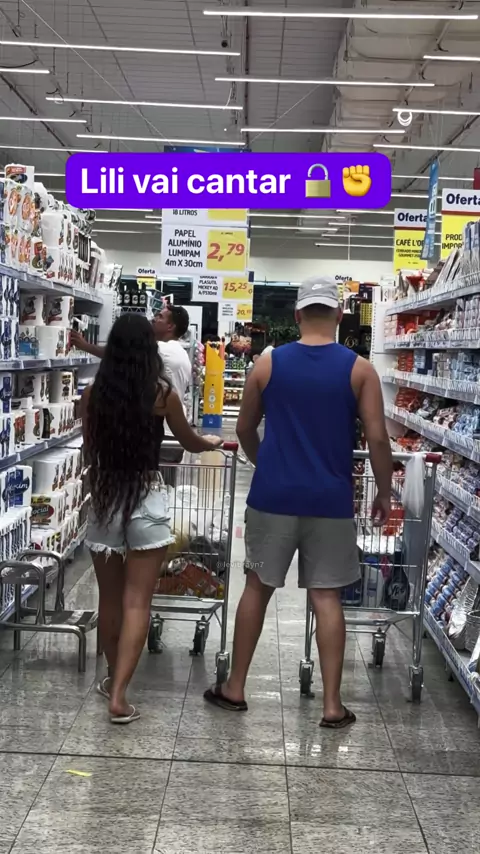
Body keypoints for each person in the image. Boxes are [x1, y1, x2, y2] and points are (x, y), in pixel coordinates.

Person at [204, 276, 392, 729]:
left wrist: (264, 462)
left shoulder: (267, 364)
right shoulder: (360, 370)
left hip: (271, 498)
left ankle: (235, 688)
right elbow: (378, 438)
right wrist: (385, 492)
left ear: (296, 315)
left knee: (257, 585)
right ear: (340, 316)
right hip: (330, 501)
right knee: (326, 597)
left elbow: (244, 428)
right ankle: (332, 706)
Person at [82, 313, 221, 724]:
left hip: (106, 497)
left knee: (109, 599)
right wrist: (211, 441)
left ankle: (112, 677)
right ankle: (120, 695)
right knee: (137, 601)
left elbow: (90, 447)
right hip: (146, 495)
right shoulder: (162, 394)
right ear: (148, 350)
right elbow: (189, 441)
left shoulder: (93, 394)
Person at [72, 303, 192, 484]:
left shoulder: (164, 349)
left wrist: (85, 345)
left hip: (159, 435)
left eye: (160, 316)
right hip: (167, 431)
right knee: (161, 491)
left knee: (144, 486)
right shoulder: (180, 351)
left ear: (170, 326)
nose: (154, 319)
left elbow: (123, 354)